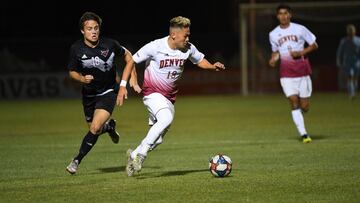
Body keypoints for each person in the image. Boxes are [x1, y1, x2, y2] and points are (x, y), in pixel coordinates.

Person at [125, 16, 225, 176]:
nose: (188, 38)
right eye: (185, 35)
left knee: (157, 138)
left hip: (169, 98)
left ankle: (133, 154)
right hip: (152, 93)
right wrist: (131, 80)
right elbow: (132, 60)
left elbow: (199, 60)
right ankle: (141, 155)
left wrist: (212, 66)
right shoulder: (155, 46)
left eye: (189, 35)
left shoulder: (188, 48)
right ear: (174, 35)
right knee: (165, 119)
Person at [66, 11, 137, 174]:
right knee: (95, 128)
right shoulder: (76, 49)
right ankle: (110, 127)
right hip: (89, 95)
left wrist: (130, 78)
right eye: (89, 28)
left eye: (96, 28)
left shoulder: (110, 44)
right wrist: (82, 79)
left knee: (95, 127)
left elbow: (128, 56)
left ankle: (76, 161)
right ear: (83, 31)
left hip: (109, 92)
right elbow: (72, 72)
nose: (94, 31)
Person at [268, 4, 318, 143]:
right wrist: (273, 59)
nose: (283, 16)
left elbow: (314, 45)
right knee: (293, 102)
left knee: (305, 106)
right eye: (280, 14)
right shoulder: (273, 34)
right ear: (277, 16)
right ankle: (304, 135)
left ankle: (300, 115)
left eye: (286, 13)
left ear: (290, 14)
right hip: (286, 73)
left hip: (302, 71)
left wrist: (301, 52)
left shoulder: (300, 29)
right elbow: (276, 51)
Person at [336, 24, 360, 99]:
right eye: (349, 31)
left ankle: (354, 92)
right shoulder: (344, 41)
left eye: (352, 31)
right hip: (347, 62)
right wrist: (339, 60)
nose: (351, 32)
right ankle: (351, 94)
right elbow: (340, 51)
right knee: (350, 77)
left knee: (355, 78)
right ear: (348, 32)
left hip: (357, 62)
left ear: (354, 31)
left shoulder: (358, 40)